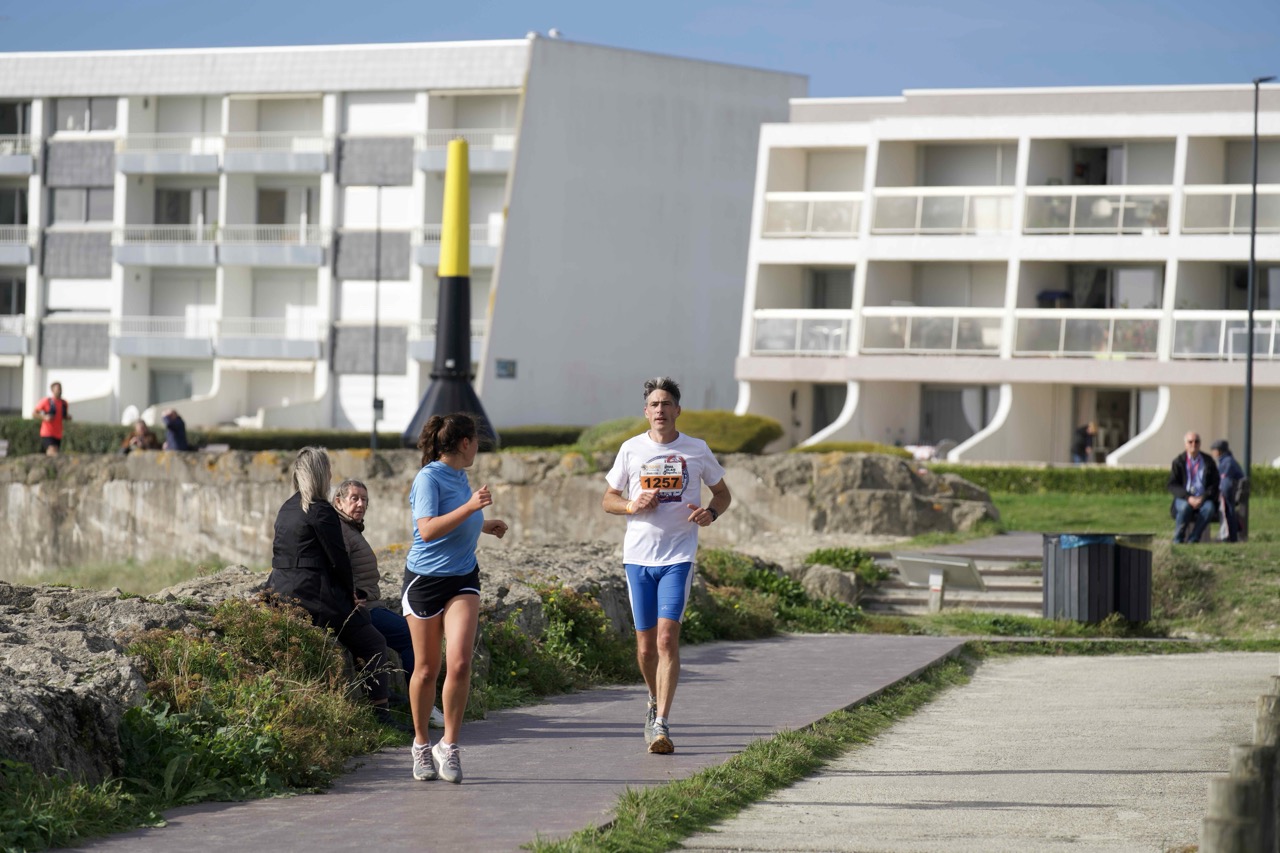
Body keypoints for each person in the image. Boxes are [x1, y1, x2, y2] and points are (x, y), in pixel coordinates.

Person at [602, 376, 732, 755]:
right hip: (638, 557)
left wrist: (710, 513)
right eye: (654, 404)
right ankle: (652, 699)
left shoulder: (696, 449)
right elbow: (608, 498)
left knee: (665, 639)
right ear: (646, 412)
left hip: (678, 556)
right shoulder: (631, 449)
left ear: (678, 410)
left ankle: (661, 723)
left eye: (666, 404)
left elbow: (722, 494)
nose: (660, 410)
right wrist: (631, 505)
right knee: (645, 650)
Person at [402, 413, 508, 783]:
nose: (478, 447)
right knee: (426, 669)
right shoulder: (428, 478)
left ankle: (449, 745)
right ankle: (420, 744)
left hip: (463, 578)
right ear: (465, 443)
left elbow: (456, 520)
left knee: (460, 663)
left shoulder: (460, 476)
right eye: (476, 441)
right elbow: (428, 530)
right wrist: (472, 508)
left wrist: (483, 524)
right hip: (425, 582)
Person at [266, 447, 403, 729]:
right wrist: (351, 596)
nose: (330, 477)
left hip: (280, 591)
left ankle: (379, 691)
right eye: (328, 471)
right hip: (313, 597)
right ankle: (381, 712)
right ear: (320, 474)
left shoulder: (287, 508)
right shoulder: (320, 510)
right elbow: (339, 561)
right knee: (373, 640)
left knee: (360, 627)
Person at [333, 477, 444, 726]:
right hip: (363, 609)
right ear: (338, 502)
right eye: (354, 498)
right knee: (412, 636)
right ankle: (423, 706)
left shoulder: (349, 529)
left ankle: (417, 702)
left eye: (364, 500)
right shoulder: (341, 530)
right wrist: (349, 595)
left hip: (369, 606)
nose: (360, 504)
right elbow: (335, 567)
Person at [1168, 431, 1219, 544]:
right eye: (1190, 442)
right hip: (1184, 498)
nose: (1193, 444)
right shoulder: (1179, 462)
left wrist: (1203, 497)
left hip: (1203, 498)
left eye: (1196, 442)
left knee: (1209, 509)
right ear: (1185, 444)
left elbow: (1215, 483)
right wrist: (1188, 497)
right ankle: (1178, 539)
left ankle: (1194, 538)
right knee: (1184, 508)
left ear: (1200, 444)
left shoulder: (1208, 461)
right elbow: (1172, 484)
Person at [1209, 439, 1245, 543]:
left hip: (1228, 495)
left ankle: (1226, 536)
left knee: (1223, 508)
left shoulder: (1227, 462)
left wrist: (1217, 493)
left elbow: (1225, 482)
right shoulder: (1228, 460)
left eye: (1213, 450)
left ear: (1219, 451)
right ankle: (1231, 533)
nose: (1212, 453)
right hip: (1232, 494)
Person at [32, 381, 71, 456]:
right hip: (47, 433)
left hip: (58, 434)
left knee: (54, 455)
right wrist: (44, 417)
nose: (60, 391)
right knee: (52, 452)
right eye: (58, 389)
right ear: (52, 390)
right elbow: (34, 413)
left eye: (60, 389)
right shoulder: (46, 401)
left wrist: (68, 417)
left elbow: (64, 416)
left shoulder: (64, 403)